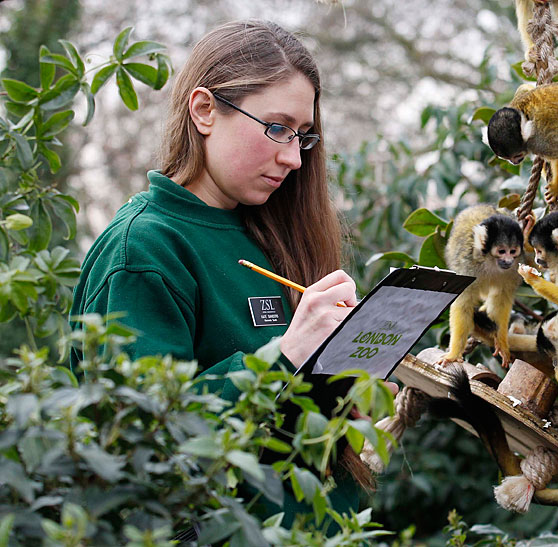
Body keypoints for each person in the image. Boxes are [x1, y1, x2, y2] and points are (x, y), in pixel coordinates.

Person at [70, 20, 383, 528]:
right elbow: (143, 446)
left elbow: (288, 424)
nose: (292, 158)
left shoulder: (271, 227)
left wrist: (351, 386)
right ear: (204, 110)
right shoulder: (143, 250)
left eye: (302, 136)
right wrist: (284, 355)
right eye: (277, 128)